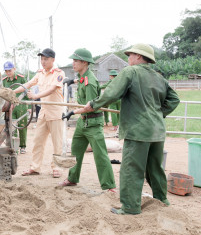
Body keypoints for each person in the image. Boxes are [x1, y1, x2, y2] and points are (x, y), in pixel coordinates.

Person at [73, 44, 180, 215]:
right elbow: (174, 100)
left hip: (138, 130)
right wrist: (159, 113)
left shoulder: (131, 72)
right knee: (155, 168)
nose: (128, 59)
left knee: (132, 168)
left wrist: (92, 105)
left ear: (138, 57)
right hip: (157, 131)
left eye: (130, 55)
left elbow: (112, 93)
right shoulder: (159, 77)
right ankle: (162, 200)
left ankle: (130, 206)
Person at [60, 48, 116, 192]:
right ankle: (72, 178)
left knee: (100, 155)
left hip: (92, 123)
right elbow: (81, 80)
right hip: (82, 122)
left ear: (84, 62)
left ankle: (109, 186)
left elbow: (90, 106)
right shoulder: (83, 77)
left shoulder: (90, 82)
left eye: (75, 61)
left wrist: (72, 112)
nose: (73, 63)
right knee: (75, 151)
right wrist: (72, 80)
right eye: (73, 61)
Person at [14, 48, 65, 178]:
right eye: (42, 59)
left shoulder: (59, 73)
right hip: (43, 113)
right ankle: (35, 167)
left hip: (55, 113)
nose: (43, 61)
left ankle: (57, 167)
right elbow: (28, 84)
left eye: (46, 59)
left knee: (57, 143)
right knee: (38, 141)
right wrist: (13, 92)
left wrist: (36, 96)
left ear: (53, 60)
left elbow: (53, 89)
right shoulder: (40, 73)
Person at [2, 61, 28, 154]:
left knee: (22, 126)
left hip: (21, 106)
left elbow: (26, 90)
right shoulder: (4, 80)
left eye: (10, 70)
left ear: (14, 69)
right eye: (6, 71)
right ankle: (14, 147)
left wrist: (27, 105)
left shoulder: (21, 78)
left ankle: (23, 146)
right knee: (11, 126)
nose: (8, 72)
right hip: (10, 107)